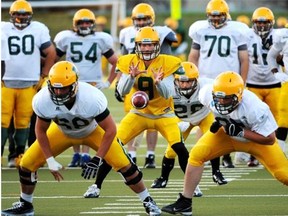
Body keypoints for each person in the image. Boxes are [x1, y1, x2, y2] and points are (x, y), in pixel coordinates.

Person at [1, 61, 161, 216]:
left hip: (92, 131)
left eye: (63, 89)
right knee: (26, 164)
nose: (58, 93)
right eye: (55, 89)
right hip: (61, 132)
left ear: (75, 85)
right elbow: (40, 130)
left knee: (126, 166)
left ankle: (147, 200)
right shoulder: (43, 99)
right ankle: (25, 204)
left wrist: (98, 158)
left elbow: (111, 129)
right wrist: (49, 159)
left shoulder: (90, 97)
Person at [84, 27, 192, 200]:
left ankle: (193, 185)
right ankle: (96, 185)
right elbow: (121, 91)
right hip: (139, 114)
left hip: (164, 114)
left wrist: (159, 82)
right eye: (143, 45)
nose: (147, 49)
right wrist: (130, 77)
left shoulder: (169, 62)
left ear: (157, 46)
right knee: (114, 145)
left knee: (179, 147)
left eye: (151, 45)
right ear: (137, 46)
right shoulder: (129, 61)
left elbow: (168, 94)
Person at [162, 71, 288, 215]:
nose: (221, 102)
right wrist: (219, 122)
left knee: (284, 175)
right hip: (226, 134)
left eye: (227, 99)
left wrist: (242, 132)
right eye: (218, 98)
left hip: (256, 141)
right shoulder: (206, 94)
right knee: (196, 155)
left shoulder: (255, 108)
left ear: (239, 96)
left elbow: (270, 139)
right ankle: (185, 203)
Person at [188, 0, 249, 168]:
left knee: (229, 120)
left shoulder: (237, 30)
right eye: (212, 17)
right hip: (207, 81)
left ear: (226, 15)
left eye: (218, 16)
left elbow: (244, 60)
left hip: (230, 82)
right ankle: (203, 154)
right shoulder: (200, 30)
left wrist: (242, 83)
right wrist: (194, 76)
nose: (215, 20)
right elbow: (193, 56)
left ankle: (226, 156)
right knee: (204, 119)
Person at [54, 8, 118, 168]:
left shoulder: (100, 39)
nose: (84, 24)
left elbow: (116, 62)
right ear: (75, 24)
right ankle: (76, 154)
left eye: (88, 22)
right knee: (71, 117)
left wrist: (109, 81)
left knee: (90, 118)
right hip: (70, 84)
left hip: (92, 84)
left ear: (93, 23)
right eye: (81, 22)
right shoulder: (66, 38)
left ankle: (85, 154)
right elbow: (53, 59)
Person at [117, 3, 178, 167]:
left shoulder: (162, 32)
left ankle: (150, 155)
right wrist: (121, 79)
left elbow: (167, 57)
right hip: (134, 79)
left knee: (154, 118)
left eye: (145, 18)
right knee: (134, 115)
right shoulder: (125, 33)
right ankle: (132, 154)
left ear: (152, 19)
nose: (141, 22)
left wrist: (163, 78)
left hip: (156, 78)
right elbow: (123, 60)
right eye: (138, 19)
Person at [151, 62, 227, 191]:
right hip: (182, 119)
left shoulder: (207, 85)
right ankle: (163, 178)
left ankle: (216, 172)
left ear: (196, 80)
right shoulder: (168, 88)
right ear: (175, 80)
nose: (185, 85)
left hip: (203, 116)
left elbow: (222, 89)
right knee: (171, 150)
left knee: (213, 141)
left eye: (189, 81)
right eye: (181, 82)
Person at [1, 0, 56, 167]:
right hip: (6, 81)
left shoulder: (38, 28)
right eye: (18, 13)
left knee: (23, 121)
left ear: (30, 15)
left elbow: (51, 52)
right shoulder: (3, 28)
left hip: (29, 82)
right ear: (11, 15)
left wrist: (44, 75)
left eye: (24, 14)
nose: (21, 17)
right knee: (3, 121)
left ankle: (19, 154)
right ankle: (11, 154)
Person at [245, 7, 283, 166]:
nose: (261, 26)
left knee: (276, 121)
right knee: (254, 121)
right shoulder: (246, 35)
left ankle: (276, 154)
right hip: (253, 83)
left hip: (274, 83)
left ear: (271, 23)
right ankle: (254, 155)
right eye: (258, 23)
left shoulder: (279, 36)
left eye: (265, 23)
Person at [267, 27, 288, 155]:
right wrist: (275, 73)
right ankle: (279, 154)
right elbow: (271, 56)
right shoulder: (284, 37)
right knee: (284, 118)